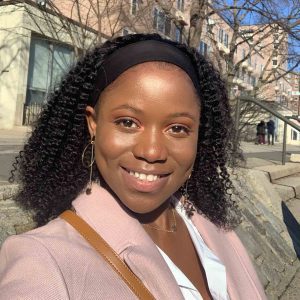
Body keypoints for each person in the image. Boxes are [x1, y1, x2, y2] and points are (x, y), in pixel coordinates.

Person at [0, 34, 266, 299]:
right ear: (94, 124)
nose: (151, 152)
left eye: (178, 128)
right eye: (128, 122)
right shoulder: (42, 261)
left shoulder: (218, 231)